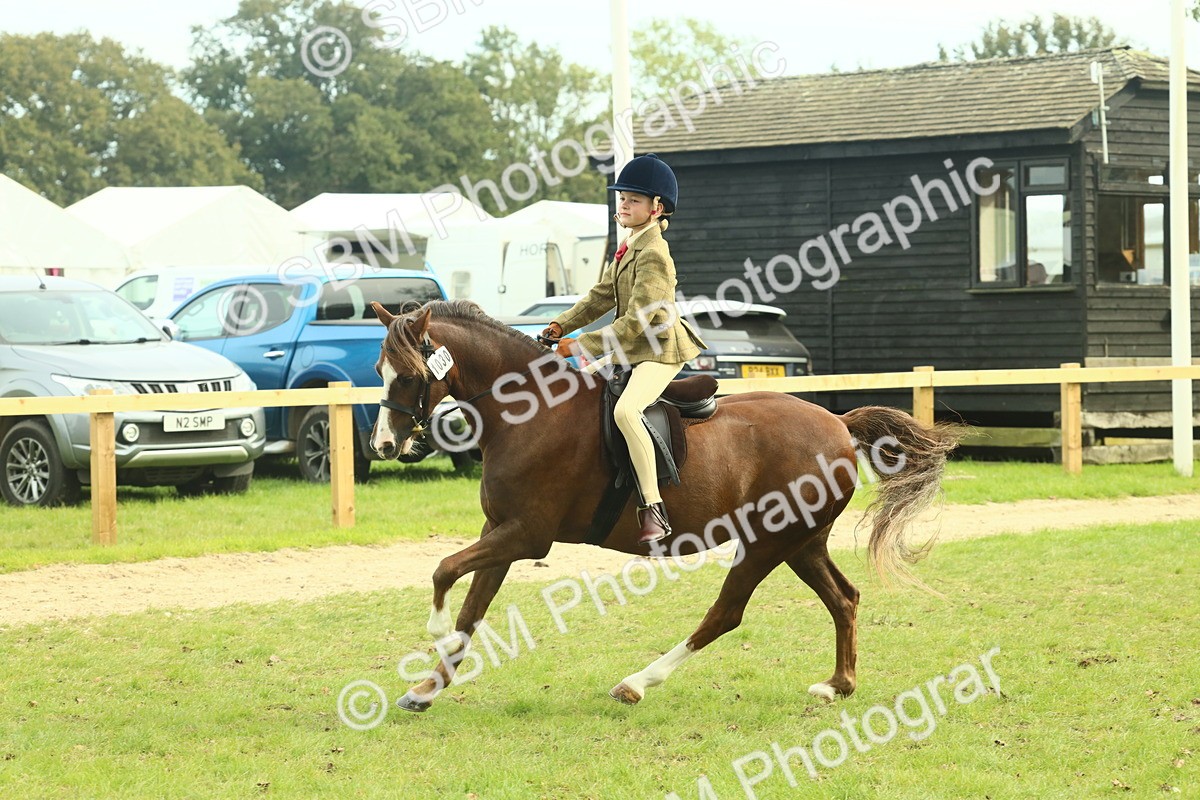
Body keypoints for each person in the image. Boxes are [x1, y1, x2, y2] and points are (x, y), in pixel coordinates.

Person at [540, 154, 706, 544]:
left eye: (633, 199)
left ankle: (654, 508)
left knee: (627, 411)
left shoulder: (654, 254)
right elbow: (600, 297)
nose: (624, 205)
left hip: (658, 349)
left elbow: (640, 321)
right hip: (630, 348)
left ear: (656, 208)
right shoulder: (630, 246)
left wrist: (579, 344)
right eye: (622, 199)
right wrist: (561, 324)